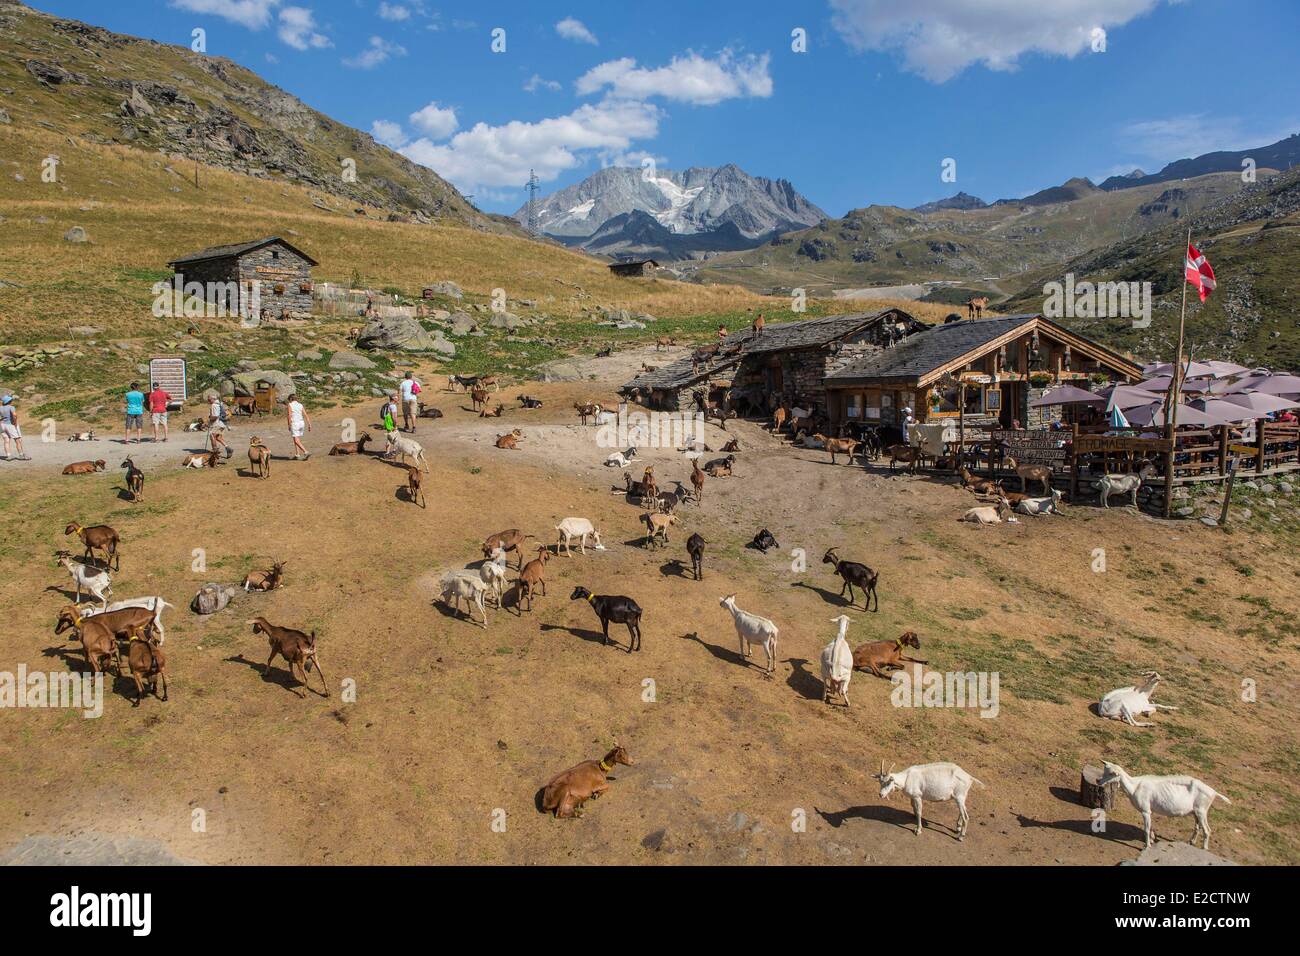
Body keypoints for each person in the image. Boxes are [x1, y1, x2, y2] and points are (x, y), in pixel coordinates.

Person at [1, 395, 29, 460]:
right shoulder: (11, 407)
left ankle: (8, 456)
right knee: (17, 440)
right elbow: (14, 415)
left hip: (2, 425)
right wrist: (15, 423)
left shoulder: (0, 408)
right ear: (9, 401)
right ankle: (21, 455)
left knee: (6, 440)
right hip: (10, 425)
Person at [287, 393, 311, 459]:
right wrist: (309, 424)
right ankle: (297, 454)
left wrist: (289, 424)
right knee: (296, 438)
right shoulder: (300, 405)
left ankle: (306, 452)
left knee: (296, 440)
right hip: (301, 423)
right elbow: (305, 414)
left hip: (295, 423)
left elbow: (289, 415)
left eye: (289, 400)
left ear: (291, 399)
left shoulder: (290, 405)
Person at [207, 392, 229, 458]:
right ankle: (228, 448)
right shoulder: (219, 403)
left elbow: (215, 416)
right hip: (222, 423)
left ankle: (215, 453)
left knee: (212, 436)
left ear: (213, 399)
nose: (208, 401)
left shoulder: (214, 405)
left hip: (217, 423)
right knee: (218, 437)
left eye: (209, 399)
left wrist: (210, 419)